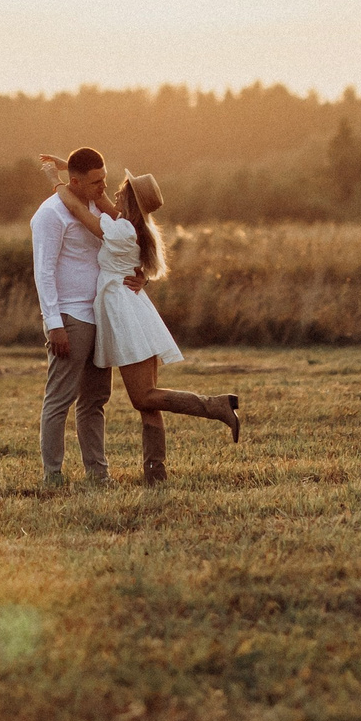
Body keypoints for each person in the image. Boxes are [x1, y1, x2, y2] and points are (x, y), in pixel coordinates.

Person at [44, 161, 241, 484]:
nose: (114, 192)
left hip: (124, 314)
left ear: (129, 201)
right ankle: (155, 472)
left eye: (121, 190)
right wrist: (74, 171)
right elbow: (102, 201)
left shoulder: (121, 230)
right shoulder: (130, 224)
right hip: (135, 309)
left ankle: (216, 406)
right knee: (148, 398)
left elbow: (79, 210)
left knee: (144, 396)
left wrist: (55, 180)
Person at [31, 147, 117, 485]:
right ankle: (52, 475)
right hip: (70, 316)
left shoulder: (97, 208)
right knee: (60, 399)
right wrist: (54, 324)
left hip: (100, 314)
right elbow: (44, 271)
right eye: (96, 182)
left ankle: (98, 475)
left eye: (105, 180)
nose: (102, 187)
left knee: (95, 400)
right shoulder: (51, 214)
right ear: (75, 182)